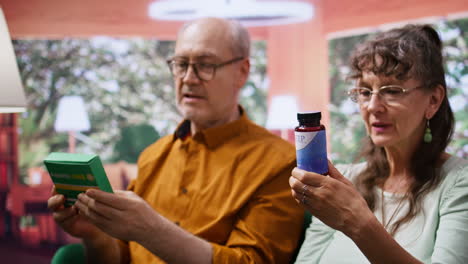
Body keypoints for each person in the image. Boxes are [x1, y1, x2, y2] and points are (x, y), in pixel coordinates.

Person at [48, 17, 304, 263]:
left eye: (205, 65)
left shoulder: (280, 163)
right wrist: (94, 234)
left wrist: (151, 230)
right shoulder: (153, 156)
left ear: (242, 71)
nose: (188, 78)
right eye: (181, 64)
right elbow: (121, 258)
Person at [290, 24, 468, 263]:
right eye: (365, 92)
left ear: (433, 100)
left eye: (392, 91)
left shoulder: (458, 184)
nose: (373, 106)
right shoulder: (343, 180)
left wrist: (358, 223)